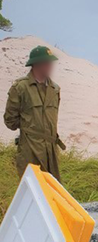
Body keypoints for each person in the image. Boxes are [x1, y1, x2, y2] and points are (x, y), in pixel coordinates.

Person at [4, 45, 66, 180]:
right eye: (47, 63)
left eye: (51, 63)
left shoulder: (54, 89)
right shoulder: (20, 88)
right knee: (33, 188)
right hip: (30, 150)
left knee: (53, 190)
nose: (50, 66)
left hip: (51, 151)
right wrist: (31, 128)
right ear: (37, 64)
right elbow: (10, 121)